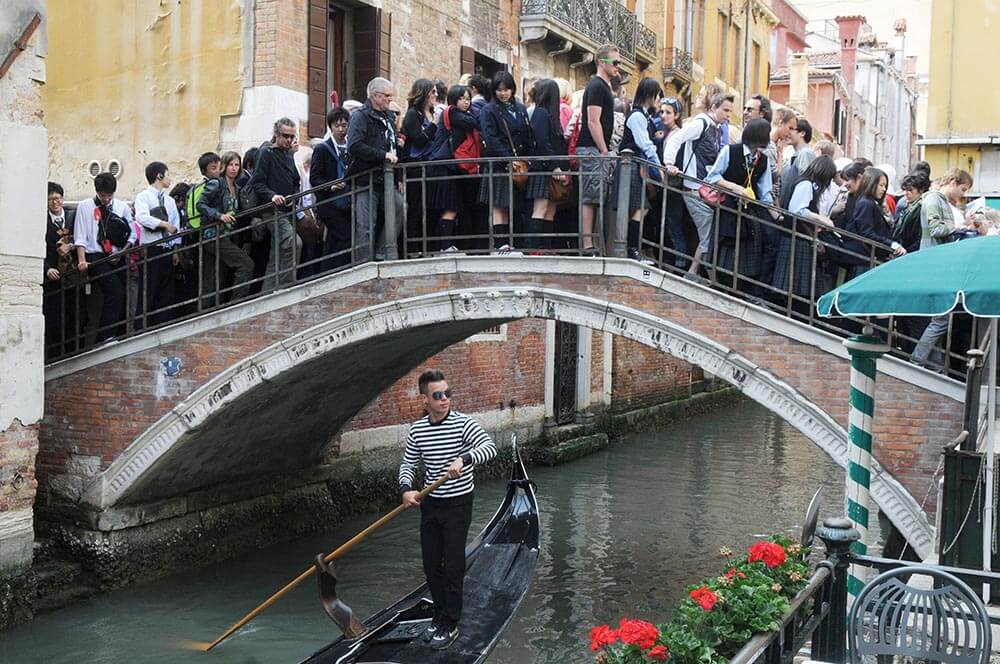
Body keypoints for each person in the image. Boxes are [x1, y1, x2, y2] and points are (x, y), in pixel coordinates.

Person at [398, 369, 497, 650]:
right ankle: (439, 614)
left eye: (447, 393)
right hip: (430, 504)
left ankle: (451, 622)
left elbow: (490, 447)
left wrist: (464, 459)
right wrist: (406, 489)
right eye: (438, 395)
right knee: (431, 563)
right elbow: (407, 464)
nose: (445, 399)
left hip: (458, 503)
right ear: (425, 400)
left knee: (453, 564)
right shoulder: (417, 430)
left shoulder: (464, 424)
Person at [664, 92, 733, 279]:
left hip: (705, 190)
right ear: (714, 108)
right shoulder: (700, 124)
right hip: (694, 189)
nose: (728, 115)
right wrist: (669, 163)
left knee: (709, 234)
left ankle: (701, 274)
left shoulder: (716, 128)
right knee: (708, 235)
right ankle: (698, 274)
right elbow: (675, 139)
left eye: (730, 111)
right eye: (725, 110)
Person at [910, 168, 974, 370]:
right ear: (953, 182)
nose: (963, 195)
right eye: (963, 189)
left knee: (939, 316)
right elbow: (936, 229)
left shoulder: (938, 200)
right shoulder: (934, 199)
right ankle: (919, 359)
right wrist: (961, 229)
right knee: (942, 317)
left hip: (936, 263)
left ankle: (935, 365)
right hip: (935, 264)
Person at [703, 118, 775, 295]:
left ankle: (739, 291)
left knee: (748, 250)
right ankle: (723, 286)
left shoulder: (762, 160)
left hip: (749, 211)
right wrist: (736, 188)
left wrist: (775, 213)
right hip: (729, 207)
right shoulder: (730, 151)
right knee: (726, 246)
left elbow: (765, 192)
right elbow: (712, 177)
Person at [72, 172, 137, 343]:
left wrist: (121, 252)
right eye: (102, 195)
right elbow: (80, 236)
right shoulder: (85, 206)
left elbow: (132, 235)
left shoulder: (121, 207)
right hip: (95, 256)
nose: (106, 199)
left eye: (109, 195)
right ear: (97, 192)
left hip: (117, 255)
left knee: (122, 295)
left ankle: (120, 335)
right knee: (115, 291)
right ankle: (103, 337)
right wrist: (81, 260)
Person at [346, 77, 405, 261]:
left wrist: (398, 177)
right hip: (366, 178)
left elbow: (392, 146)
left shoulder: (388, 115)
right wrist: (382, 155)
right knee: (365, 224)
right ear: (375, 95)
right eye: (387, 95)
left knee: (399, 207)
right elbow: (355, 146)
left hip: (386, 177)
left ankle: (382, 252)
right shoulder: (360, 116)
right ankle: (363, 265)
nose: (390, 99)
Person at [478, 70, 532, 253]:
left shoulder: (520, 108)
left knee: (512, 204)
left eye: (507, 89)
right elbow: (490, 138)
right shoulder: (488, 110)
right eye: (499, 90)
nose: (503, 93)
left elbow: (526, 134)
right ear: (494, 91)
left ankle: (511, 241)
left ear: (512, 89)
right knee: (499, 204)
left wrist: (525, 160)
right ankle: (500, 243)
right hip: (499, 164)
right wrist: (508, 158)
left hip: (519, 165)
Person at [575, 44, 621, 256]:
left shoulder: (602, 87)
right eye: (615, 63)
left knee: (595, 196)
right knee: (590, 197)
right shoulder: (596, 86)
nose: (618, 67)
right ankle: (587, 246)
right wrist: (604, 151)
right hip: (592, 148)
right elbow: (593, 122)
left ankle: (591, 244)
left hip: (596, 148)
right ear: (602, 62)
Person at [773, 155, 838, 303]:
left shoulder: (802, 182)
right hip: (797, 237)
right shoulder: (806, 184)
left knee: (792, 284)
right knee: (796, 285)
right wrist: (821, 219)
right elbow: (797, 210)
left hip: (793, 236)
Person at [616, 77, 663, 263]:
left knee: (638, 208)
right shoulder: (637, 116)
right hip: (632, 165)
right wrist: (659, 166)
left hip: (635, 166)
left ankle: (631, 250)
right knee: (640, 208)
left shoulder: (643, 116)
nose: (659, 99)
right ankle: (631, 250)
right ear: (650, 94)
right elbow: (645, 144)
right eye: (658, 95)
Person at [250, 118, 301, 290]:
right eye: (285, 136)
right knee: (293, 242)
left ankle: (268, 292)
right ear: (276, 135)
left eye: (292, 136)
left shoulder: (288, 155)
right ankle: (285, 286)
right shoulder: (266, 153)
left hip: (285, 209)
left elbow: (295, 180)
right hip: (271, 210)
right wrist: (272, 196)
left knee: (277, 253)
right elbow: (257, 182)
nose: (289, 140)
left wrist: (294, 197)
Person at [427, 84, 479, 250]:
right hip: (445, 167)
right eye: (462, 98)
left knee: (452, 208)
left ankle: (444, 246)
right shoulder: (453, 113)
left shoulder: (455, 114)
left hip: (449, 166)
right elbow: (472, 122)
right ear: (453, 99)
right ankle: (444, 247)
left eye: (468, 99)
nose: (466, 102)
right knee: (450, 208)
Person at [197, 151, 255, 300]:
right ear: (224, 166)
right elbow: (201, 204)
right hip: (213, 234)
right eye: (230, 164)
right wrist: (219, 215)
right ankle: (237, 303)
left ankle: (209, 312)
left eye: (237, 165)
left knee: (215, 279)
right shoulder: (217, 183)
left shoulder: (236, 187)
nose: (234, 168)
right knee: (246, 264)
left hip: (226, 236)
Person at [524, 78, 568, 251]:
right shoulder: (542, 113)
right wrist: (555, 166)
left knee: (550, 208)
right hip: (543, 168)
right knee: (541, 207)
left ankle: (545, 247)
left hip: (549, 167)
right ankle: (533, 248)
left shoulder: (545, 114)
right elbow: (542, 142)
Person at [134, 161, 180, 326]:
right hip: (151, 247)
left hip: (167, 248)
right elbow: (141, 217)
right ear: (159, 176)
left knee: (166, 290)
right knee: (148, 289)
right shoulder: (143, 197)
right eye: (167, 175)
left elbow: (176, 225)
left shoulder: (169, 201)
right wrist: (164, 224)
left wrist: (175, 248)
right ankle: (142, 327)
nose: (169, 179)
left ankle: (163, 324)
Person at [840, 167, 906, 278]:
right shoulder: (866, 203)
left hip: (867, 258)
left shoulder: (870, 202)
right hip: (864, 259)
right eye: (881, 185)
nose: (884, 189)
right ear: (871, 183)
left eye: (885, 186)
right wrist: (892, 245)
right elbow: (866, 233)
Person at [310, 107, 352, 270]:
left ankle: (325, 271)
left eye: (344, 125)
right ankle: (333, 272)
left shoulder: (351, 146)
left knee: (334, 241)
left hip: (347, 201)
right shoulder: (322, 149)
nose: (341, 129)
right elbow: (314, 178)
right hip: (329, 204)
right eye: (337, 126)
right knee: (345, 236)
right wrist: (331, 186)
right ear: (330, 127)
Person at [43, 181, 81, 357]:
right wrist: (47, 268)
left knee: (77, 316)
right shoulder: (41, 222)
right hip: (53, 277)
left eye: (57, 198)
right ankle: (55, 356)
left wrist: (71, 246)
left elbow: (84, 240)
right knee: (54, 319)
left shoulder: (74, 218)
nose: (54, 202)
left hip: (74, 276)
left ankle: (75, 353)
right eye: (50, 199)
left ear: (63, 199)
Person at [656, 97, 689, 269]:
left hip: (674, 184)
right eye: (661, 112)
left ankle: (680, 261)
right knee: (669, 222)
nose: (663, 116)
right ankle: (675, 258)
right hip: (668, 183)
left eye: (668, 112)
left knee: (674, 222)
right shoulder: (665, 132)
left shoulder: (678, 134)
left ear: (676, 115)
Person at [778, 118, 816, 208]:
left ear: (802, 133)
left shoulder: (805, 153)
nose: (787, 133)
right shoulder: (795, 155)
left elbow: (803, 184)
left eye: (792, 129)